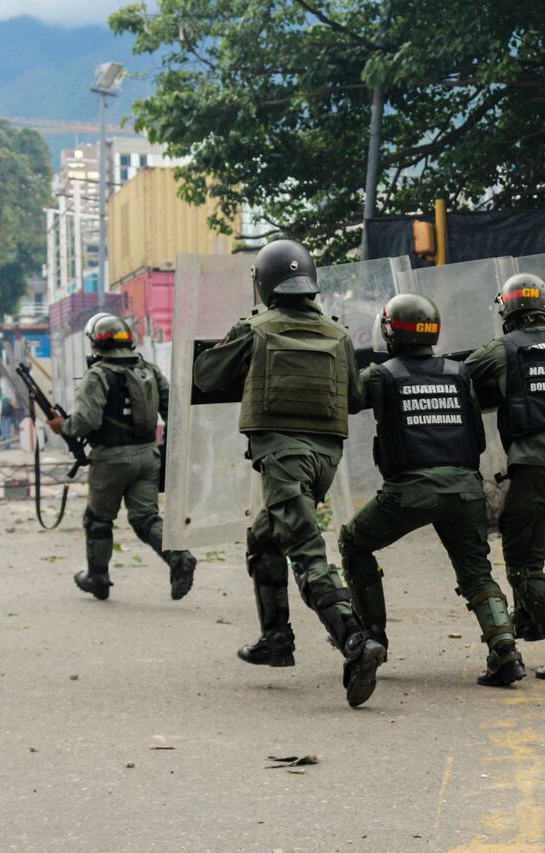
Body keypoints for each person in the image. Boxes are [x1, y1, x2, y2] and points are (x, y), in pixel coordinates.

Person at [193, 239, 384, 708]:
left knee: (305, 551)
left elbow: (204, 376)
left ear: (263, 284)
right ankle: (275, 639)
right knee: (264, 537)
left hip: (281, 460)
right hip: (323, 463)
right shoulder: (337, 334)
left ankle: (355, 640)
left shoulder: (254, 328)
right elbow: (355, 400)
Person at [339, 293, 527, 688]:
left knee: (354, 543)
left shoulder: (382, 375)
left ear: (390, 332)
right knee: (477, 573)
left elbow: (349, 398)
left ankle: (372, 638)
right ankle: (505, 650)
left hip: (410, 490)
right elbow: (476, 437)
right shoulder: (460, 374)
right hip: (465, 489)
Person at [463, 273, 545, 682]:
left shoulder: (506, 348)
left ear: (507, 310)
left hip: (542, 465)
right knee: (523, 531)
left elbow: (454, 376)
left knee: (522, 566)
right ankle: (530, 619)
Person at [47, 314, 197, 603]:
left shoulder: (98, 375)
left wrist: (61, 426)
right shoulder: (149, 370)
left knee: (98, 520)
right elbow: (174, 412)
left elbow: (85, 422)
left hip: (111, 461)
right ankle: (179, 557)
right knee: (145, 518)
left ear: (95, 343)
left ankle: (98, 578)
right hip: (148, 457)